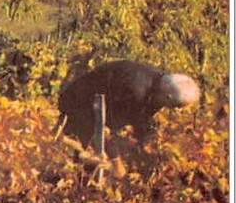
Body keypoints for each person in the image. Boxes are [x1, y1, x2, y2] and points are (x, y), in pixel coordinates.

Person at [58, 60, 201, 148]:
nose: (174, 111)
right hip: (76, 104)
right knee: (84, 155)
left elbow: (140, 119)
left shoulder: (161, 84)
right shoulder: (135, 90)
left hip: (100, 107)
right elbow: (106, 127)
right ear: (168, 97)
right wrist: (116, 161)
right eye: (175, 107)